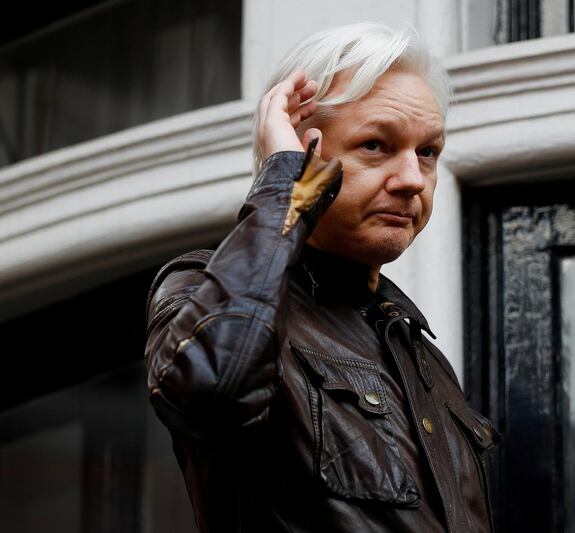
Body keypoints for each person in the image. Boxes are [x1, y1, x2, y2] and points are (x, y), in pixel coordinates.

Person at [144, 22, 499, 532]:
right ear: (303, 151)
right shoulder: (204, 288)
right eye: (376, 145)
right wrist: (285, 183)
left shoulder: (422, 356)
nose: (412, 180)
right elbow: (211, 389)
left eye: (427, 152)